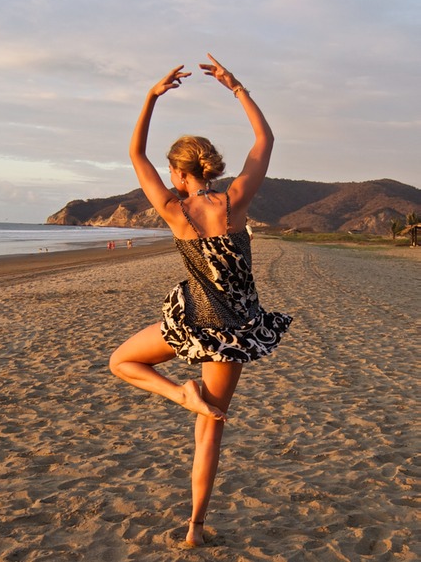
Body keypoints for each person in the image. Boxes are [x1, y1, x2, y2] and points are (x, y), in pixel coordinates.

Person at [109, 54, 292, 547]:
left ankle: (178, 393)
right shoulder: (235, 201)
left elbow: (135, 155)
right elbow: (264, 141)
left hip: (194, 322)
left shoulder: (174, 209)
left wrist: (150, 97)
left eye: (169, 170)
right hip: (234, 329)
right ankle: (194, 529)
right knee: (210, 430)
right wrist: (235, 87)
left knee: (122, 361)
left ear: (177, 171)